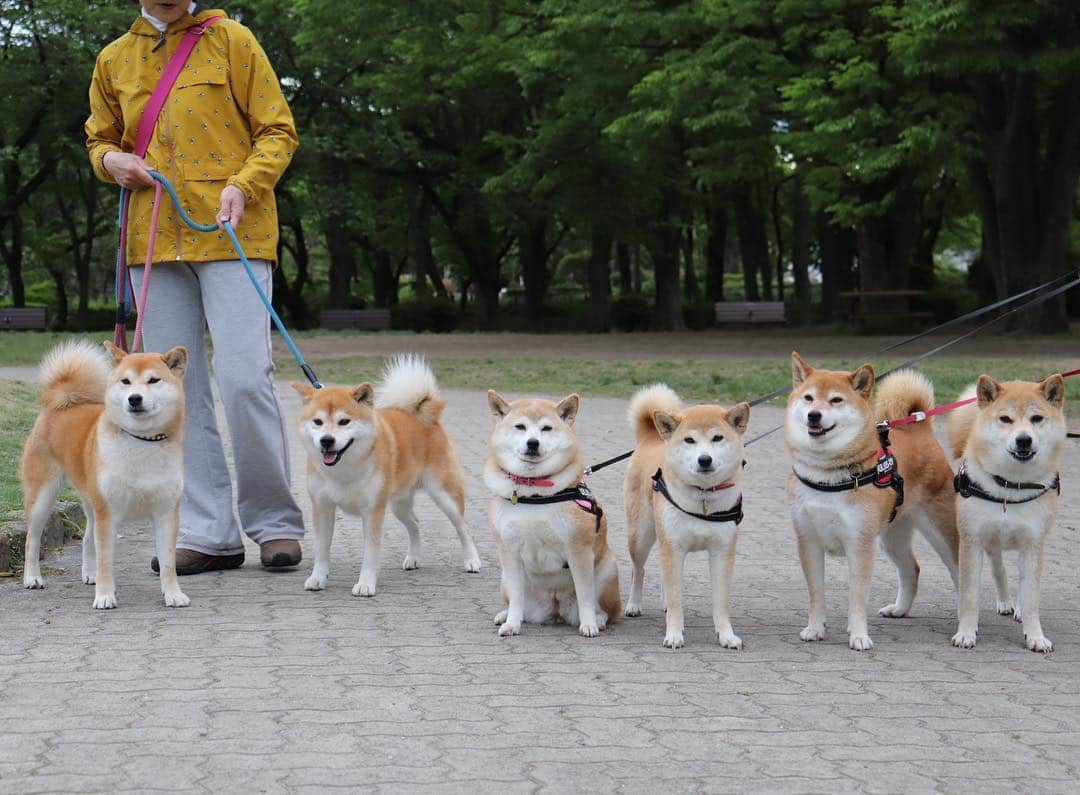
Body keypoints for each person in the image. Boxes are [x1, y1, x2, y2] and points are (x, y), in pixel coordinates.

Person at [85, 1, 304, 574]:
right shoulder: (114, 58)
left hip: (235, 232)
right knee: (174, 393)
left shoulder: (232, 39)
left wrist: (245, 184)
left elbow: (278, 129)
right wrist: (113, 161)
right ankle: (208, 533)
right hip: (150, 240)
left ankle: (275, 523)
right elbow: (97, 141)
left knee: (244, 379)